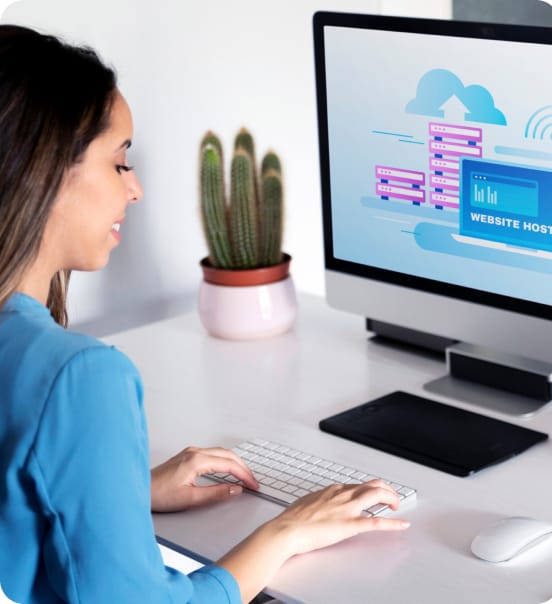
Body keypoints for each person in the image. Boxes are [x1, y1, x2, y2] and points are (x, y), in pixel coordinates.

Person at [0, 24, 410, 604]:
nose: (136, 189)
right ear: (41, 172)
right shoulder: (80, 376)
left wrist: (122, 491)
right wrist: (287, 531)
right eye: (120, 163)